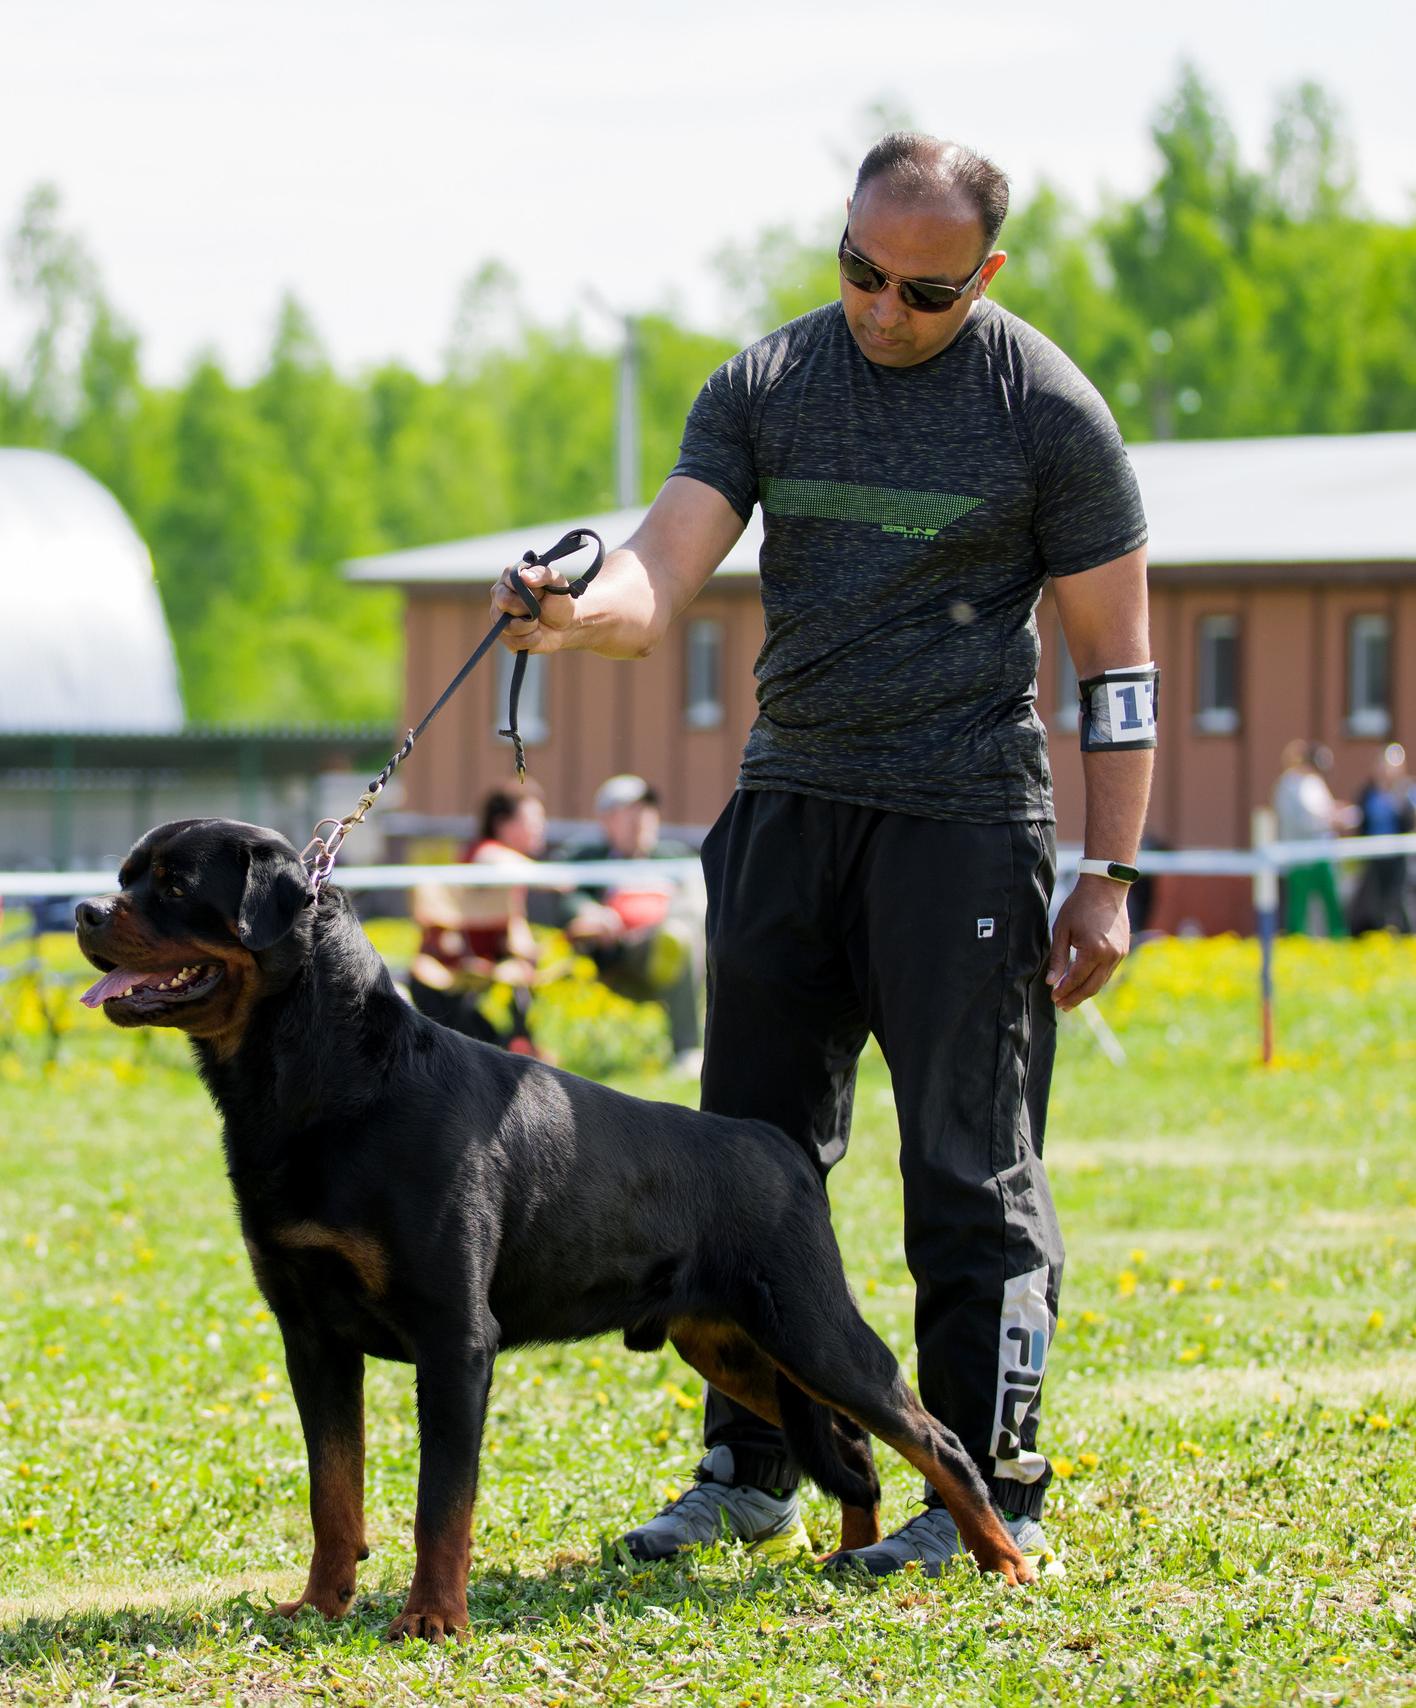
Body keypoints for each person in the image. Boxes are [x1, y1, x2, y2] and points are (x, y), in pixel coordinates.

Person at [493, 132, 1151, 1577]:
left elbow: (1119, 669)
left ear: (984, 273)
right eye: (861, 270)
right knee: (744, 1170)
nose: (882, 310)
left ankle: (992, 1488)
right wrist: (565, 608)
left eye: (923, 291)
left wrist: (1109, 876)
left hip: (964, 831)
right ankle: (753, 1468)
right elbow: (657, 574)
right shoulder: (768, 385)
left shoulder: (1049, 413)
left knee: (969, 1179)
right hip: (789, 816)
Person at [560, 774, 707, 1075]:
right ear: (606, 820)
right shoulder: (588, 858)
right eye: (630, 812)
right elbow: (566, 898)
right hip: (624, 954)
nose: (641, 820)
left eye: (647, 811)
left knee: (692, 907)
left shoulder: (674, 856)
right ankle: (689, 1049)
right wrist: (591, 911)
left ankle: (672, 949)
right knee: (681, 934)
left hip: (680, 938)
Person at [408, 783, 550, 1057]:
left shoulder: (512, 876)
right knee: (471, 1055)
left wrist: (530, 953)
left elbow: (515, 927)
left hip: (479, 974)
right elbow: (494, 860)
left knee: (489, 1049)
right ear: (502, 824)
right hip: (443, 978)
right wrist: (553, 878)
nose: (541, 827)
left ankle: (520, 1046)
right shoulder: (486, 853)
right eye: (532, 820)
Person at [1347, 743, 1416, 933]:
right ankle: (1385, 938)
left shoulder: (1409, 790)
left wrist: (1413, 842)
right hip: (1375, 855)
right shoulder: (1367, 792)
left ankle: (1415, 938)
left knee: (1403, 898)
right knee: (1378, 899)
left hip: (1401, 855)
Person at [1272, 739, 1349, 936]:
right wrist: (1327, 821)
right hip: (1300, 855)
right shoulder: (1286, 785)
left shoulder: (1314, 782)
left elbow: (1324, 808)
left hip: (1323, 852)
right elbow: (1298, 820)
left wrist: (1335, 813)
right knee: (1299, 904)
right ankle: (1297, 940)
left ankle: (1337, 937)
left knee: (1331, 899)